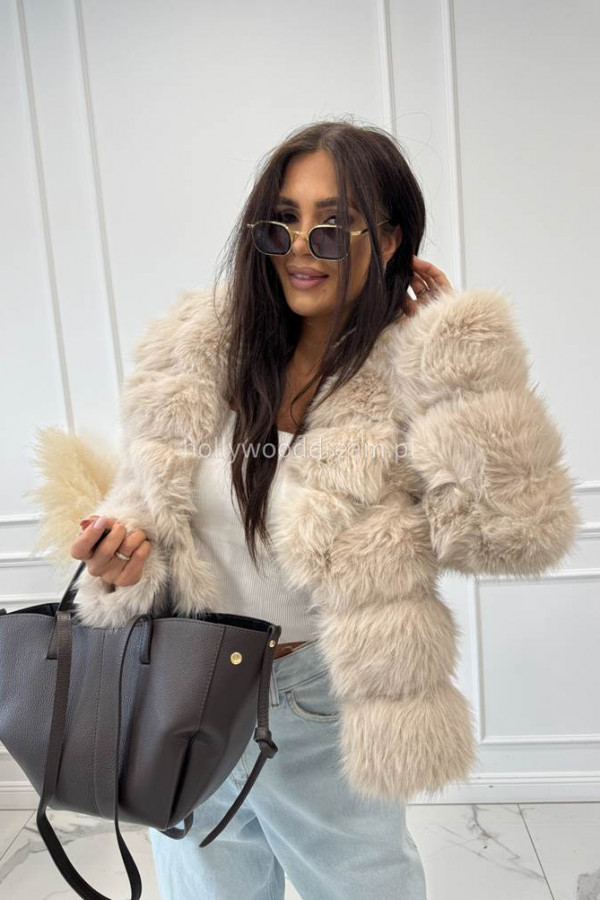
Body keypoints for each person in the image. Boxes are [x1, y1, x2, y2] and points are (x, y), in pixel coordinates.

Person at [67, 120, 579, 899]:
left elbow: (511, 534)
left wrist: (460, 368)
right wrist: (120, 557)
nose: (302, 248)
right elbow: (145, 500)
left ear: (390, 239)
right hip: (187, 690)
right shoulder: (196, 351)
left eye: (333, 228)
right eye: (282, 224)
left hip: (321, 699)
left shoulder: (413, 372)